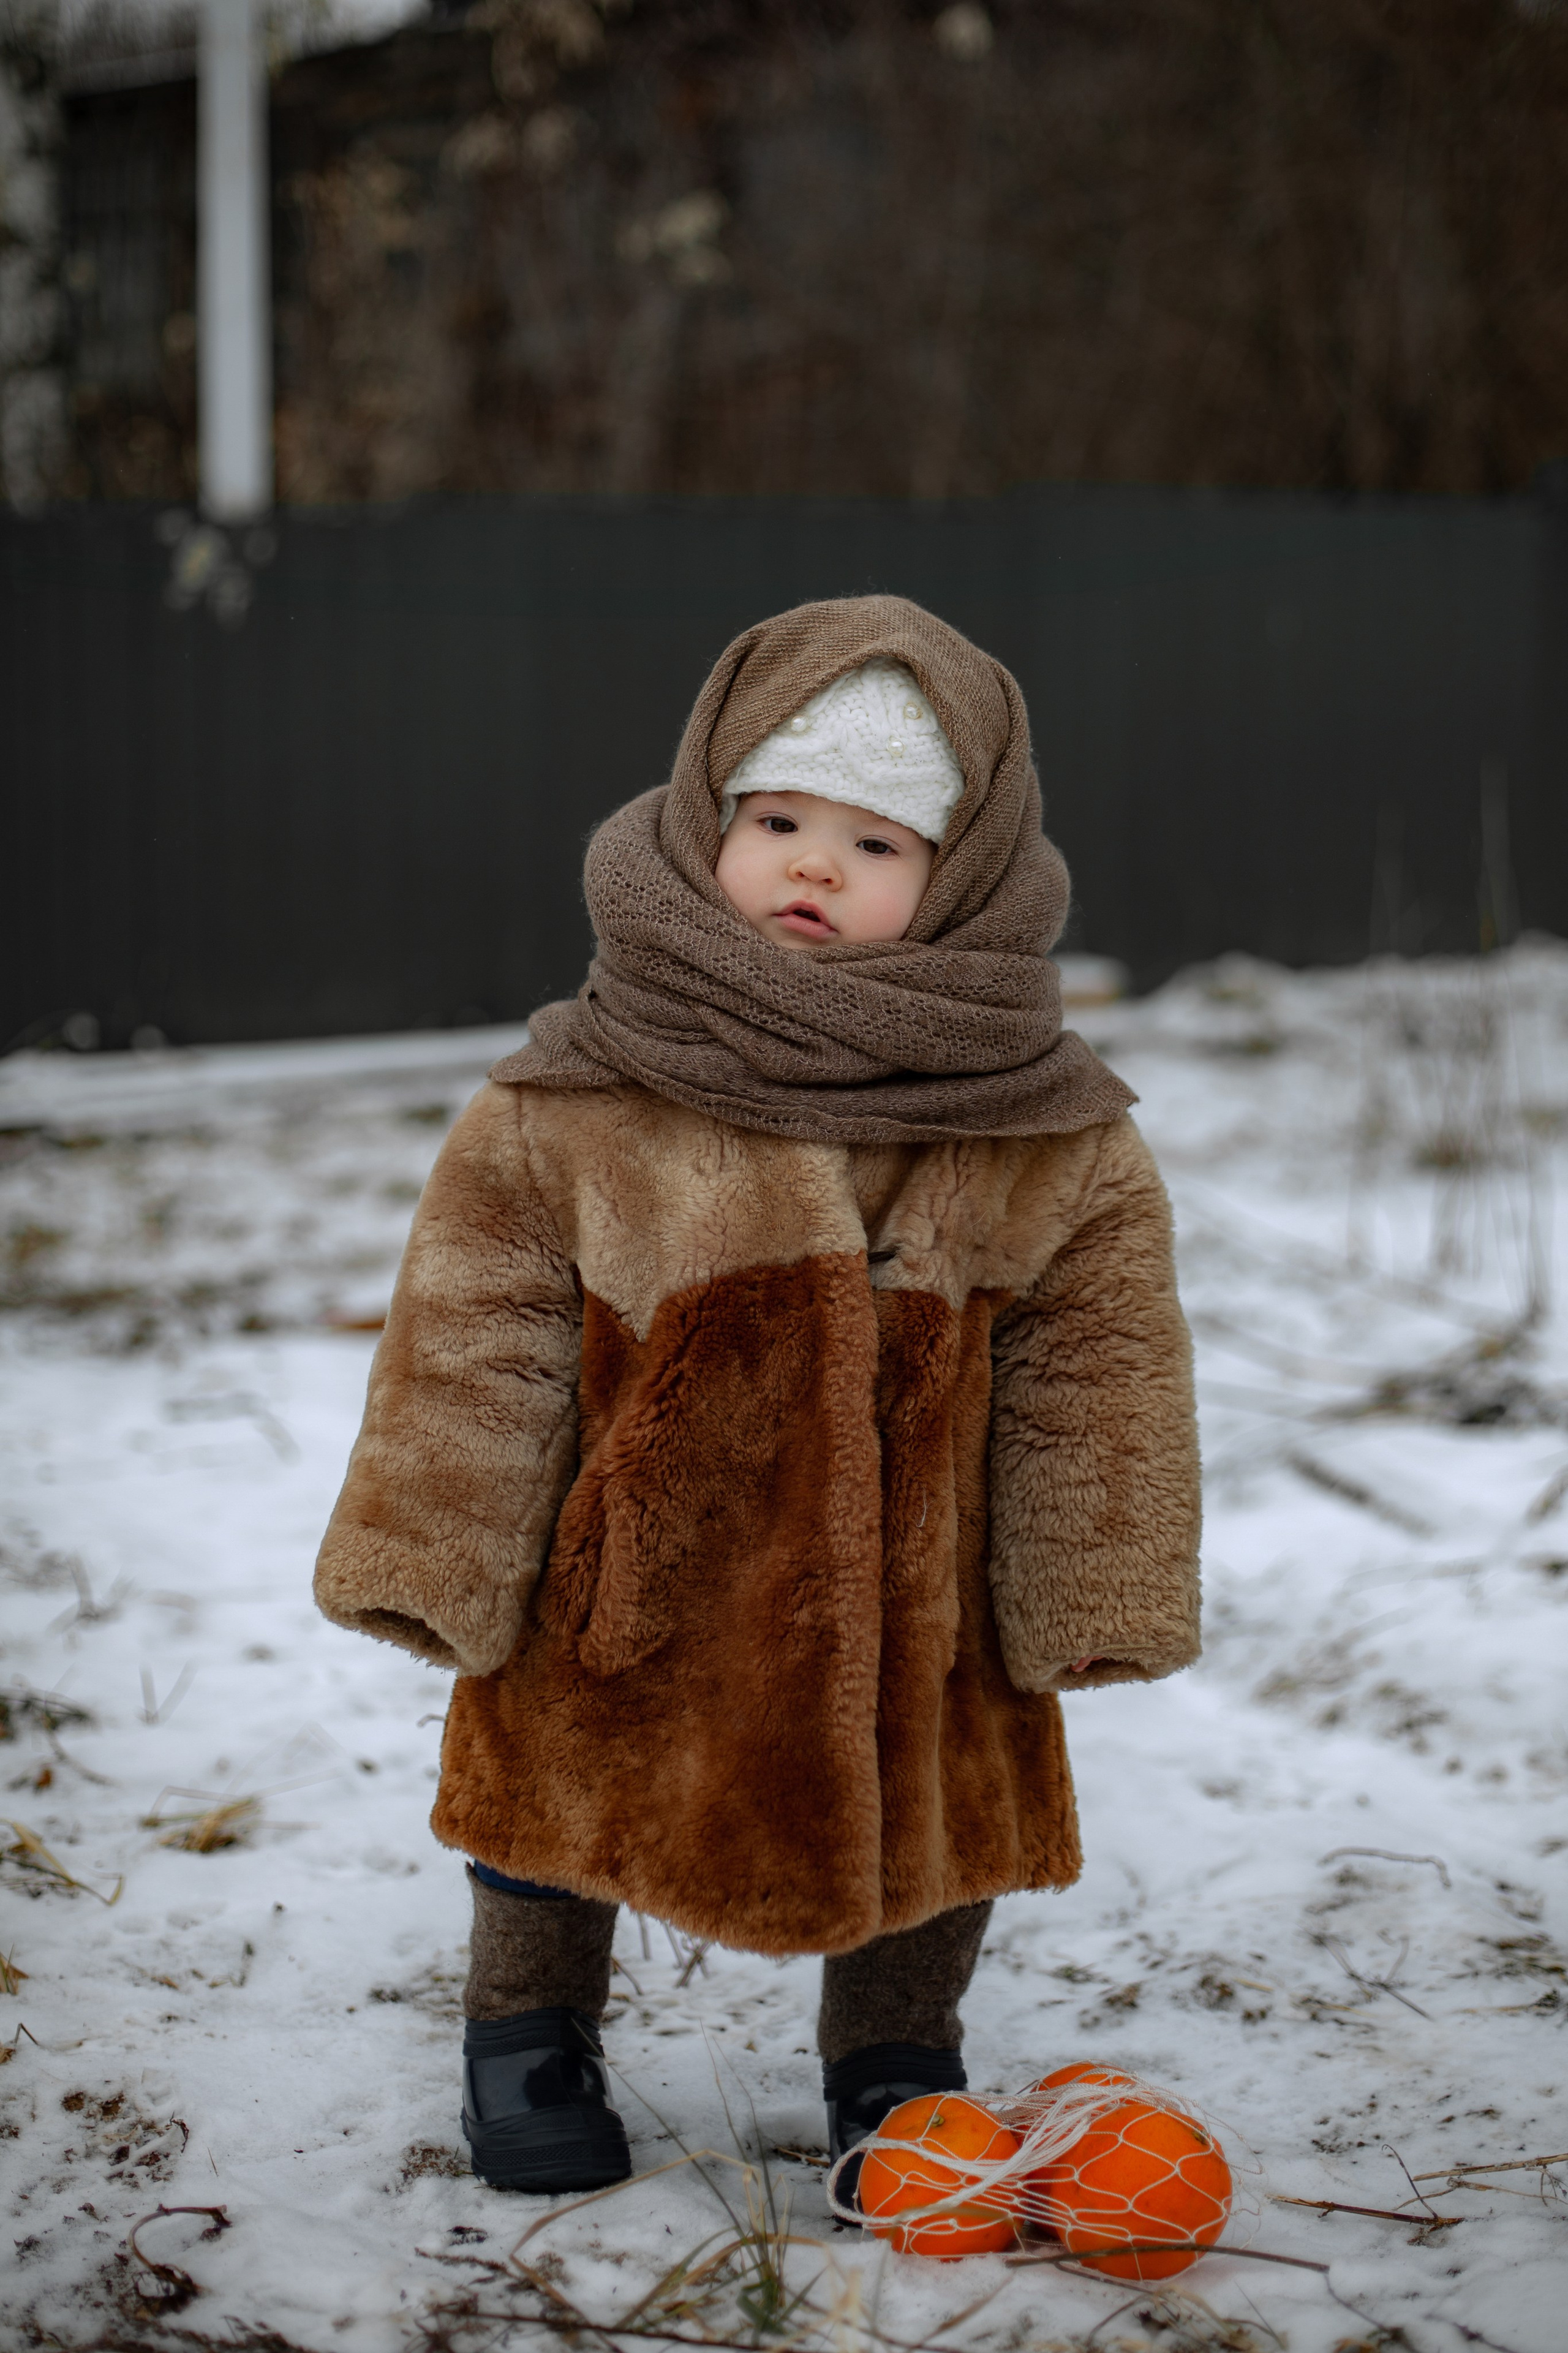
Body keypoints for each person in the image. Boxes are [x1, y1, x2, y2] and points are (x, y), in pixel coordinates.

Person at [314, 595, 1201, 2199]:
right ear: (707, 815)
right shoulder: (588, 1084)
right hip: (629, 1566)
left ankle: (897, 2060)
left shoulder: (1036, 1119)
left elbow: (1099, 1363)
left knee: (934, 1809)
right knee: (554, 1784)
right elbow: (480, 1326)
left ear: (965, 874)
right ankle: (529, 2026)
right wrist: (432, 1548)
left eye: (876, 842)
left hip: (922, 1584)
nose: (813, 866)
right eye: (779, 819)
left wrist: (1095, 1580)